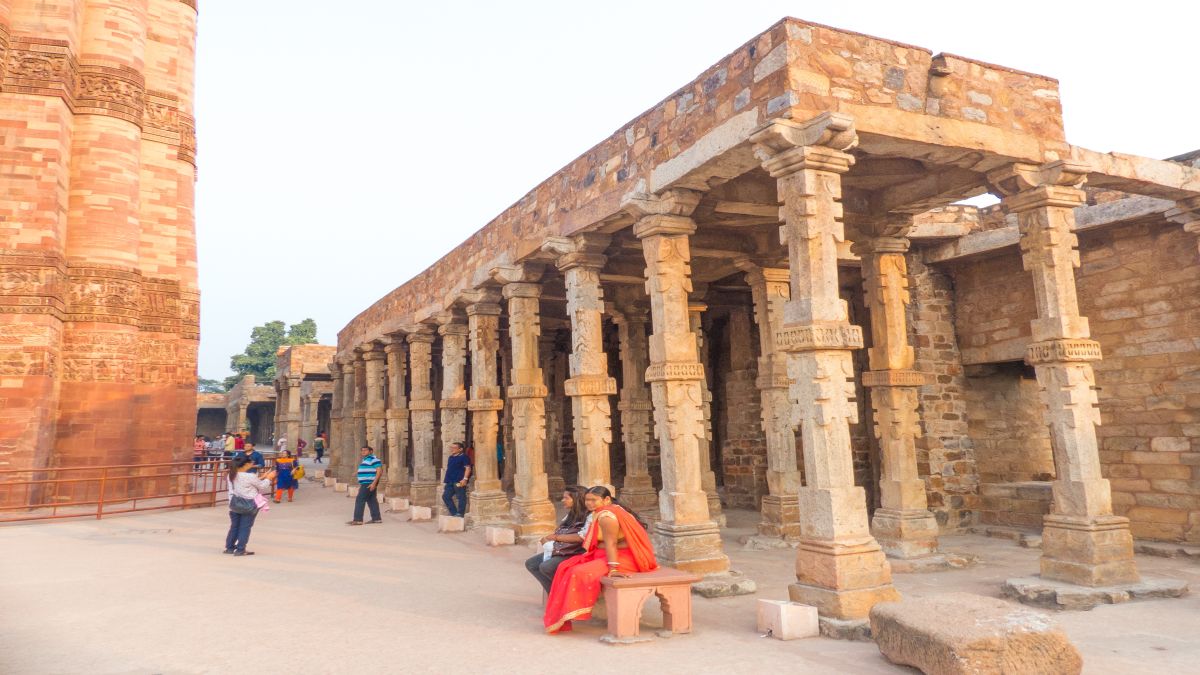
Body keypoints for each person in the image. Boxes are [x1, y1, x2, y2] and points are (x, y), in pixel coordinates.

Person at [543, 486, 657, 634]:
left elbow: (613, 543)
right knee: (564, 566)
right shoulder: (603, 512)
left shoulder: (606, 517)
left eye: (593, 500)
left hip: (626, 558)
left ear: (606, 500)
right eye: (587, 500)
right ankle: (562, 616)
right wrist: (602, 545)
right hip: (609, 553)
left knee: (577, 572)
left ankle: (568, 614)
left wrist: (614, 569)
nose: (589, 503)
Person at [525, 486, 589, 594]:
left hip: (576, 551)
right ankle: (554, 595)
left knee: (546, 567)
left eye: (566, 498)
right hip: (563, 549)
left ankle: (564, 594)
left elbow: (581, 537)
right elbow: (561, 531)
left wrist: (555, 537)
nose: (562, 500)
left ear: (576, 499)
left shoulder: (588, 516)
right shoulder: (572, 514)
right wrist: (549, 540)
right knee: (531, 564)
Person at [224, 456, 276, 556]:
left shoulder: (231, 474)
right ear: (246, 464)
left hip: (234, 503)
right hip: (249, 505)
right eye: (251, 462)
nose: (252, 463)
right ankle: (240, 549)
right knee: (245, 527)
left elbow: (245, 484)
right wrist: (269, 478)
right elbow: (262, 486)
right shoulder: (250, 476)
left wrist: (261, 477)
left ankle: (229, 547)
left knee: (234, 526)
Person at [347, 446, 383, 525]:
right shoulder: (365, 460)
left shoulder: (374, 459)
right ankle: (376, 518)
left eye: (365, 450)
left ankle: (358, 519)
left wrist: (374, 483)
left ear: (371, 451)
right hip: (366, 482)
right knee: (371, 500)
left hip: (369, 483)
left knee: (360, 500)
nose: (363, 452)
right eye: (362, 450)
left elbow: (379, 472)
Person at [441, 441, 472, 517]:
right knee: (445, 496)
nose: (452, 449)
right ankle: (454, 513)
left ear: (460, 449)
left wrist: (465, 479)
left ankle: (460, 514)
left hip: (459, 481)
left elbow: (468, 468)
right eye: (451, 447)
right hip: (450, 481)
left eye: (454, 448)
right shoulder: (451, 457)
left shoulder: (464, 457)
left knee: (461, 497)